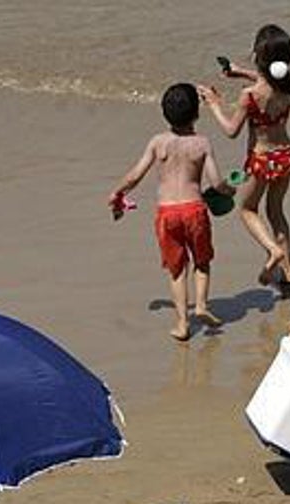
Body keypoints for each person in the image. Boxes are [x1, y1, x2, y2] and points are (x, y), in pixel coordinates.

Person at [108, 83, 230, 341]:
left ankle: (182, 324)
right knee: (202, 261)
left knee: (177, 270)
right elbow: (217, 182)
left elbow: (135, 175)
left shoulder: (158, 142)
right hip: (195, 210)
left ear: (164, 114)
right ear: (197, 114)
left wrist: (117, 192)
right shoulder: (202, 144)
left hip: (167, 214)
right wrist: (228, 190)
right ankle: (201, 305)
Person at [199, 24, 290, 297]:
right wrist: (240, 71)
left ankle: (273, 250)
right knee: (277, 212)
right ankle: (289, 270)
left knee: (247, 209)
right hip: (285, 155)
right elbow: (268, 78)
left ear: (257, 54)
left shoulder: (250, 96)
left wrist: (214, 104)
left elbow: (231, 131)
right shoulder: (287, 85)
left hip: (262, 159)